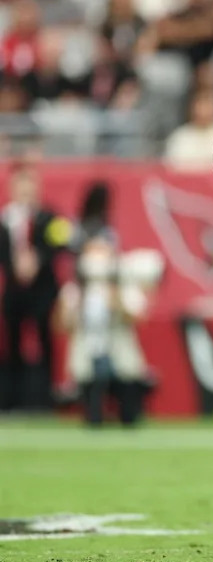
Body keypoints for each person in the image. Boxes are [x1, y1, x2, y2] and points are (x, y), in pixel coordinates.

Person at [56, 182, 161, 427]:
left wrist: (117, 304)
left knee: (128, 370)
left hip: (117, 345)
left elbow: (139, 317)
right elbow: (62, 325)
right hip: (89, 347)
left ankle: (128, 407)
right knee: (87, 369)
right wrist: (77, 307)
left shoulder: (121, 285)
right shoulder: (77, 289)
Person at [0, 161, 70, 411]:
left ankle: (44, 399)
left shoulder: (50, 217)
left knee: (45, 341)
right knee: (12, 343)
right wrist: (14, 263)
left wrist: (37, 258)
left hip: (43, 291)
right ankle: (12, 400)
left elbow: (63, 244)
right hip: (14, 291)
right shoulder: (5, 218)